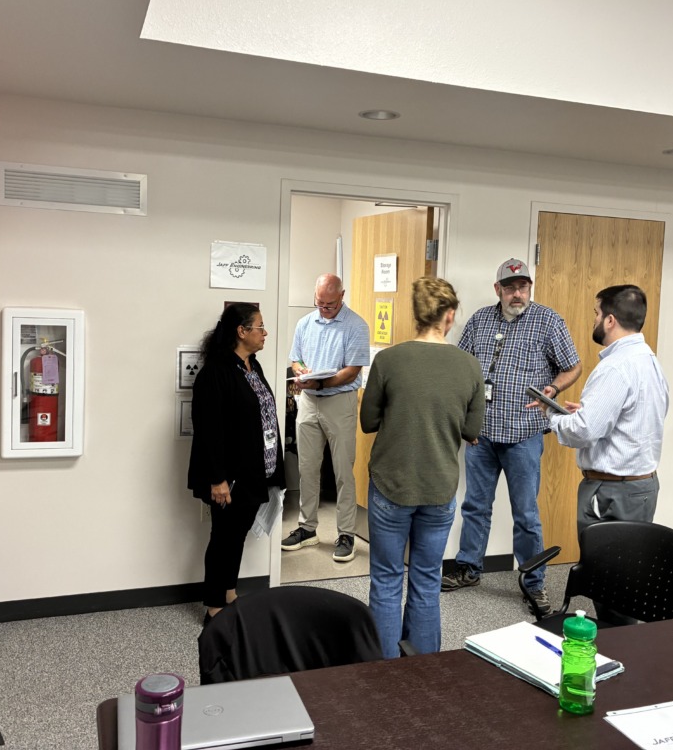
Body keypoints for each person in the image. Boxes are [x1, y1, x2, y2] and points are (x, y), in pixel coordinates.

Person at [440, 258, 582, 615]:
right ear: (497, 289)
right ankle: (469, 569)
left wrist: (552, 387)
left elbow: (573, 365)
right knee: (475, 506)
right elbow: (460, 370)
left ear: (529, 288)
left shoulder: (548, 321)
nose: (517, 294)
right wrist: (465, 422)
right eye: (510, 287)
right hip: (483, 435)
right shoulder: (479, 321)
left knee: (526, 514)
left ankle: (533, 583)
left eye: (523, 287)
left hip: (524, 434)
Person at [360, 277, 485, 658]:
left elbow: (368, 421)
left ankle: (384, 670)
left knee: (385, 580)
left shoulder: (388, 360)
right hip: (439, 488)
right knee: (427, 580)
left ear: (416, 315)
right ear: (449, 316)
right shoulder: (469, 366)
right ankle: (424, 668)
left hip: (390, 485)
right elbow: (472, 431)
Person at [188, 303, 284, 623]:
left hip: (254, 472)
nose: (265, 332)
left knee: (236, 535)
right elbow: (209, 431)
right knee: (224, 538)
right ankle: (215, 606)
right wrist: (217, 479)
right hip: (229, 478)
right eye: (259, 327)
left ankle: (229, 592)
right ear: (241, 332)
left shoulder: (250, 365)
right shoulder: (216, 372)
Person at [546, 284, 669, 534]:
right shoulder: (649, 360)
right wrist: (593, 411)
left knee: (605, 566)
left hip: (613, 491)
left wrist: (551, 415)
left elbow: (583, 432)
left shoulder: (615, 367)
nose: (595, 320)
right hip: (641, 487)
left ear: (610, 320)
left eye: (596, 314)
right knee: (630, 563)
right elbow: (639, 414)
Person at [282, 273, 370, 562]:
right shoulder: (305, 323)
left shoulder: (356, 325)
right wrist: (303, 372)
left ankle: (346, 533)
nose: (325, 308)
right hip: (308, 401)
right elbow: (296, 358)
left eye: (330, 304)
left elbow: (352, 370)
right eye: (320, 303)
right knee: (307, 467)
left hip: (339, 402)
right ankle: (307, 528)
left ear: (342, 297)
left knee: (343, 470)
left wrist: (320, 382)